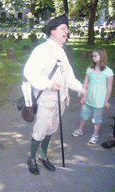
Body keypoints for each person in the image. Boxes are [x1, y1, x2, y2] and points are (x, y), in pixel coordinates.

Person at [23, 14, 85, 175]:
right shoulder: (42, 50)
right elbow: (29, 72)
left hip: (61, 101)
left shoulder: (61, 51)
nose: (67, 31)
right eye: (63, 28)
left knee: (51, 130)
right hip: (45, 100)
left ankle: (43, 157)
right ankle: (31, 158)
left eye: (67, 28)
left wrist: (80, 90)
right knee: (40, 130)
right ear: (53, 31)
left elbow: (69, 77)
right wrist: (49, 84)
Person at [72, 47, 114, 144]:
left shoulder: (108, 71)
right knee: (84, 115)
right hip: (88, 99)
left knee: (97, 118)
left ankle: (95, 134)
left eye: (95, 56)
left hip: (99, 100)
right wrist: (83, 96)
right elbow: (85, 84)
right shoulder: (90, 69)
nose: (93, 58)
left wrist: (106, 101)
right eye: (93, 56)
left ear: (102, 56)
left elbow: (109, 88)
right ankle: (80, 129)